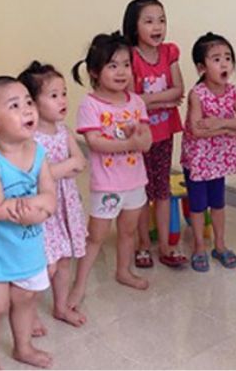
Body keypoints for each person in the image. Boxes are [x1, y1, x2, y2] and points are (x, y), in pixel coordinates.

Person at [0, 76, 57, 369]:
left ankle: (23, 347)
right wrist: (33, 207)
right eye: (15, 106)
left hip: (26, 245)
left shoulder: (38, 152)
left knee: (26, 299)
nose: (28, 110)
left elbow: (50, 197)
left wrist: (38, 210)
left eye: (29, 101)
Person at [69, 32, 152, 310]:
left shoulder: (137, 103)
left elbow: (147, 142)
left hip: (135, 182)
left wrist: (137, 133)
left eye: (126, 64)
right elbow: (95, 143)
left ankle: (123, 271)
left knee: (128, 232)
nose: (121, 72)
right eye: (112, 65)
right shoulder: (90, 105)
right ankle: (78, 285)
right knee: (96, 237)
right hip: (106, 185)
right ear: (95, 71)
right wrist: (130, 140)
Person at [18, 61, 88, 328]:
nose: (62, 100)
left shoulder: (63, 131)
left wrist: (61, 168)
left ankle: (60, 306)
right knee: (44, 265)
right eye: (54, 95)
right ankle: (30, 314)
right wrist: (64, 168)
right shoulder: (30, 140)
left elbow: (80, 161)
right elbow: (34, 177)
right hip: (45, 211)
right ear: (33, 104)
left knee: (64, 260)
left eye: (64, 93)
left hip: (66, 205)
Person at [122, 0, 188, 269]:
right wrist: (164, 99)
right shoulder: (129, 58)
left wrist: (148, 99)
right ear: (134, 26)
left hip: (164, 133)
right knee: (140, 193)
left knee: (161, 191)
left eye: (161, 20)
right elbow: (129, 97)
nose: (157, 26)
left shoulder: (169, 52)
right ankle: (142, 246)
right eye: (149, 21)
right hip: (139, 136)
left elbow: (179, 89)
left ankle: (165, 246)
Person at [180, 32, 236, 272]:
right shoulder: (196, 94)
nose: (224, 64)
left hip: (219, 161)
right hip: (198, 162)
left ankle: (219, 245)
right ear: (201, 67)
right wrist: (227, 130)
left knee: (218, 204)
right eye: (216, 59)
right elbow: (197, 130)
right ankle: (199, 246)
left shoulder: (232, 92)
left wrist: (220, 124)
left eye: (228, 58)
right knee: (198, 206)